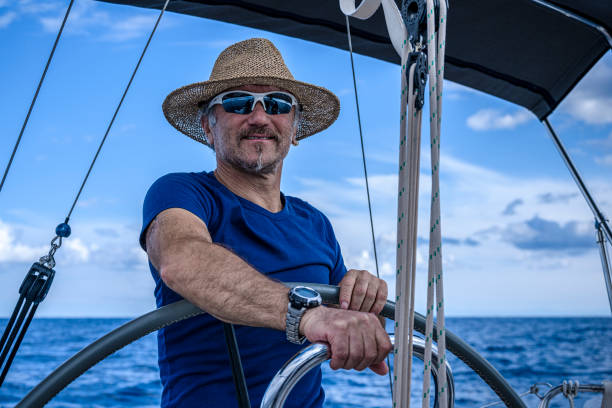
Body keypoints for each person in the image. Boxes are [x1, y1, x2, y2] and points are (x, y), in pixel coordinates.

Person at [139, 38, 392, 408]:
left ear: (294, 129)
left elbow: (356, 334)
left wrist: (365, 300)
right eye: (238, 103)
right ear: (208, 127)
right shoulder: (182, 193)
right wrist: (305, 316)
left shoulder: (315, 222)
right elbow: (181, 260)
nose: (259, 118)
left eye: (277, 104)